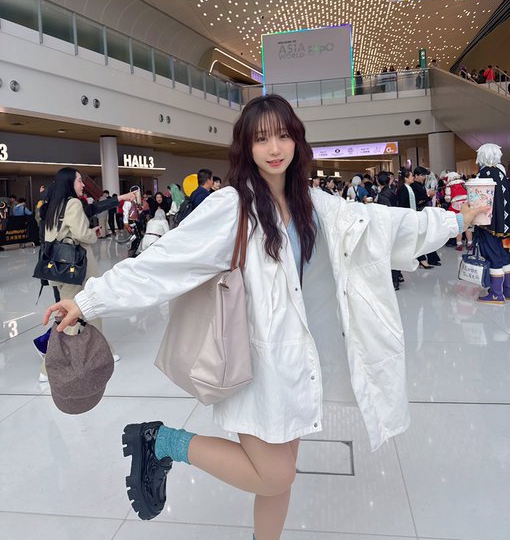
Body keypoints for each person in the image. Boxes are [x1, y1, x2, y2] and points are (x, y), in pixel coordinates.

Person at [44, 95, 481, 540]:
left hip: (298, 364)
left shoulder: (315, 204)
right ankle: (161, 442)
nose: (274, 148)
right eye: (261, 138)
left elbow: (383, 225)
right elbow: (165, 261)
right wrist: (90, 300)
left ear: (297, 141)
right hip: (256, 363)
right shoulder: (232, 206)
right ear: (246, 147)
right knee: (274, 475)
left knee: (280, 476)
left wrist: (453, 221)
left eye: (283, 136)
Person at [39, 167, 118, 382]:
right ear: (69, 183)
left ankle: (103, 351)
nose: (83, 185)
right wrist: (94, 234)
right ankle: (48, 367)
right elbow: (82, 234)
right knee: (76, 314)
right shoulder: (73, 203)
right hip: (78, 268)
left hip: (60, 268)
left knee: (81, 311)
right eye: (79, 180)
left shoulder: (53, 206)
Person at [474, 143, 510, 304]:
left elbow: (477, 200)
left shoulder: (484, 174)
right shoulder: (501, 173)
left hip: (488, 224)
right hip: (505, 224)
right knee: (504, 256)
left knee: (493, 255)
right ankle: (507, 290)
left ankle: (496, 293)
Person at [376, 171, 403, 290]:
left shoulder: (383, 195)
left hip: (387, 226)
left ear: (378, 181)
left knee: (388, 253)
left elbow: (385, 213)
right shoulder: (392, 191)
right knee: (394, 251)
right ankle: (398, 276)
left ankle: (394, 280)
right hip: (395, 224)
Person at [445, 172, 473, 250]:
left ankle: (459, 244)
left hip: (455, 208)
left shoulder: (449, 186)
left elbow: (448, 199)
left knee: (459, 227)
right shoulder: (464, 183)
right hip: (466, 206)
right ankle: (470, 243)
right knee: (468, 226)